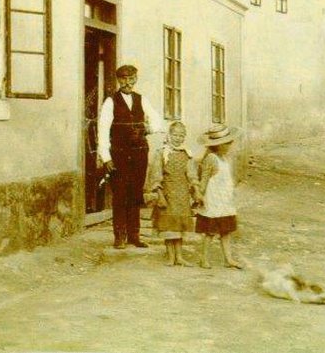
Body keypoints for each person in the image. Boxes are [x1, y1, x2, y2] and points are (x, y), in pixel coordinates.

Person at [97, 64, 165, 249]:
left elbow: (159, 122)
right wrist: (106, 158)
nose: (128, 83)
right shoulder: (111, 102)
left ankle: (134, 235)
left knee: (135, 195)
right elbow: (102, 131)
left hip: (139, 154)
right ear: (118, 80)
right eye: (124, 79)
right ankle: (119, 236)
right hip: (118, 156)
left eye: (131, 79)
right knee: (120, 195)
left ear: (136, 79)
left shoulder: (142, 100)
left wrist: (146, 129)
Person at [145, 120, 200, 266]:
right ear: (169, 135)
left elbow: (192, 174)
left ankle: (180, 257)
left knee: (179, 227)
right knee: (168, 226)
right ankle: (170, 257)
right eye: (175, 135)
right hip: (167, 194)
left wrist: (195, 189)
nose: (178, 138)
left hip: (182, 195)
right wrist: (159, 195)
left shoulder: (187, 154)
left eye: (181, 135)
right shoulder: (161, 153)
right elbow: (156, 175)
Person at [195, 123, 243, 269]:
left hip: (224, 200)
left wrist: (231, 192)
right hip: (213, 200)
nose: (229, 145)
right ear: (219, 145)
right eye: (227, 143)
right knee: (210, 232)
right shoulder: (211, 158)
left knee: (226, 231)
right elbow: (203, 179)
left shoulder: (224, 158)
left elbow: (226, 179)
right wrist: (199, 196)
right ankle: (204, 259)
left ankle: (228, 259)